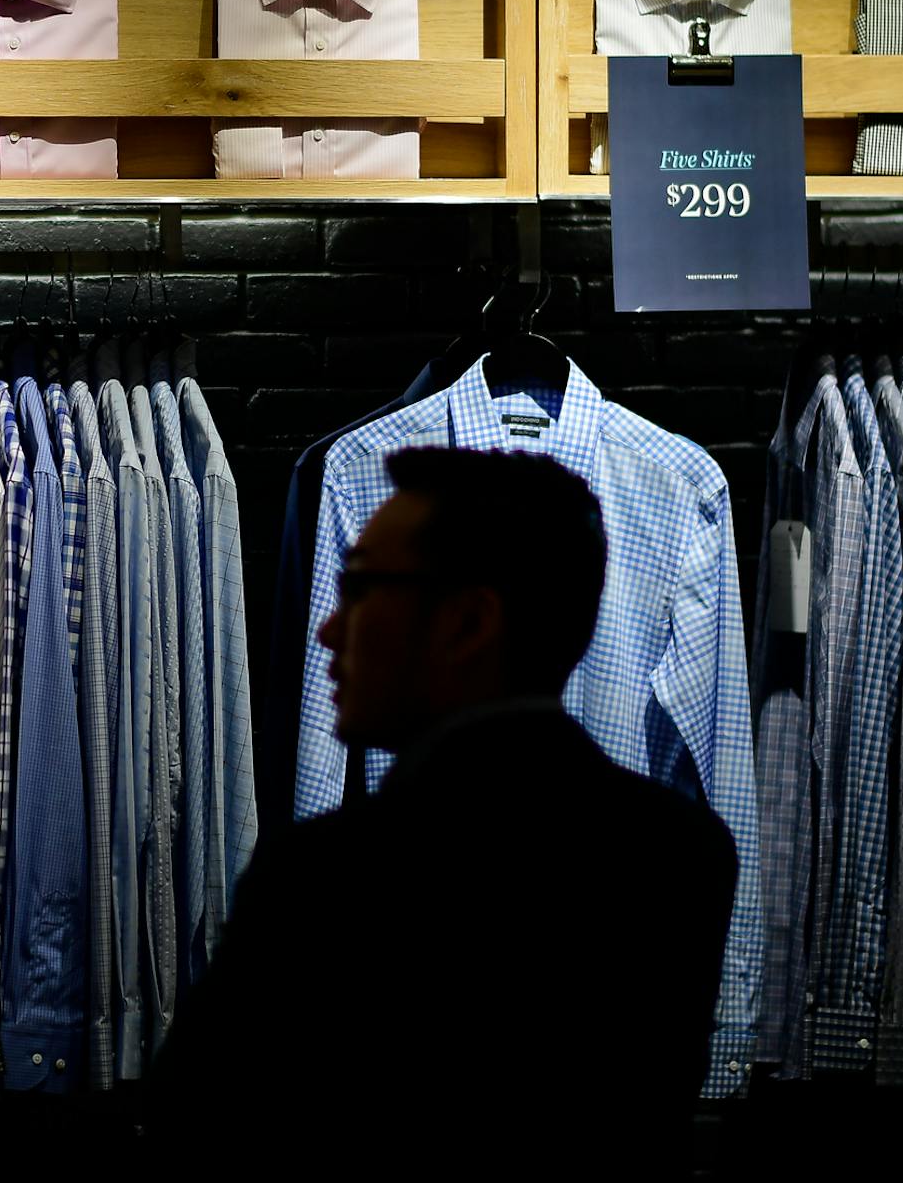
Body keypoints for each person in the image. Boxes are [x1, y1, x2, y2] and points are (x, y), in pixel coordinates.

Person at [149, 448, 736, 1176]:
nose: (329, 628)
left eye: (361, 588)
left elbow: (197, 1132)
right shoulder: (683, 855)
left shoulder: (328, 879)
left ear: (467, 622)